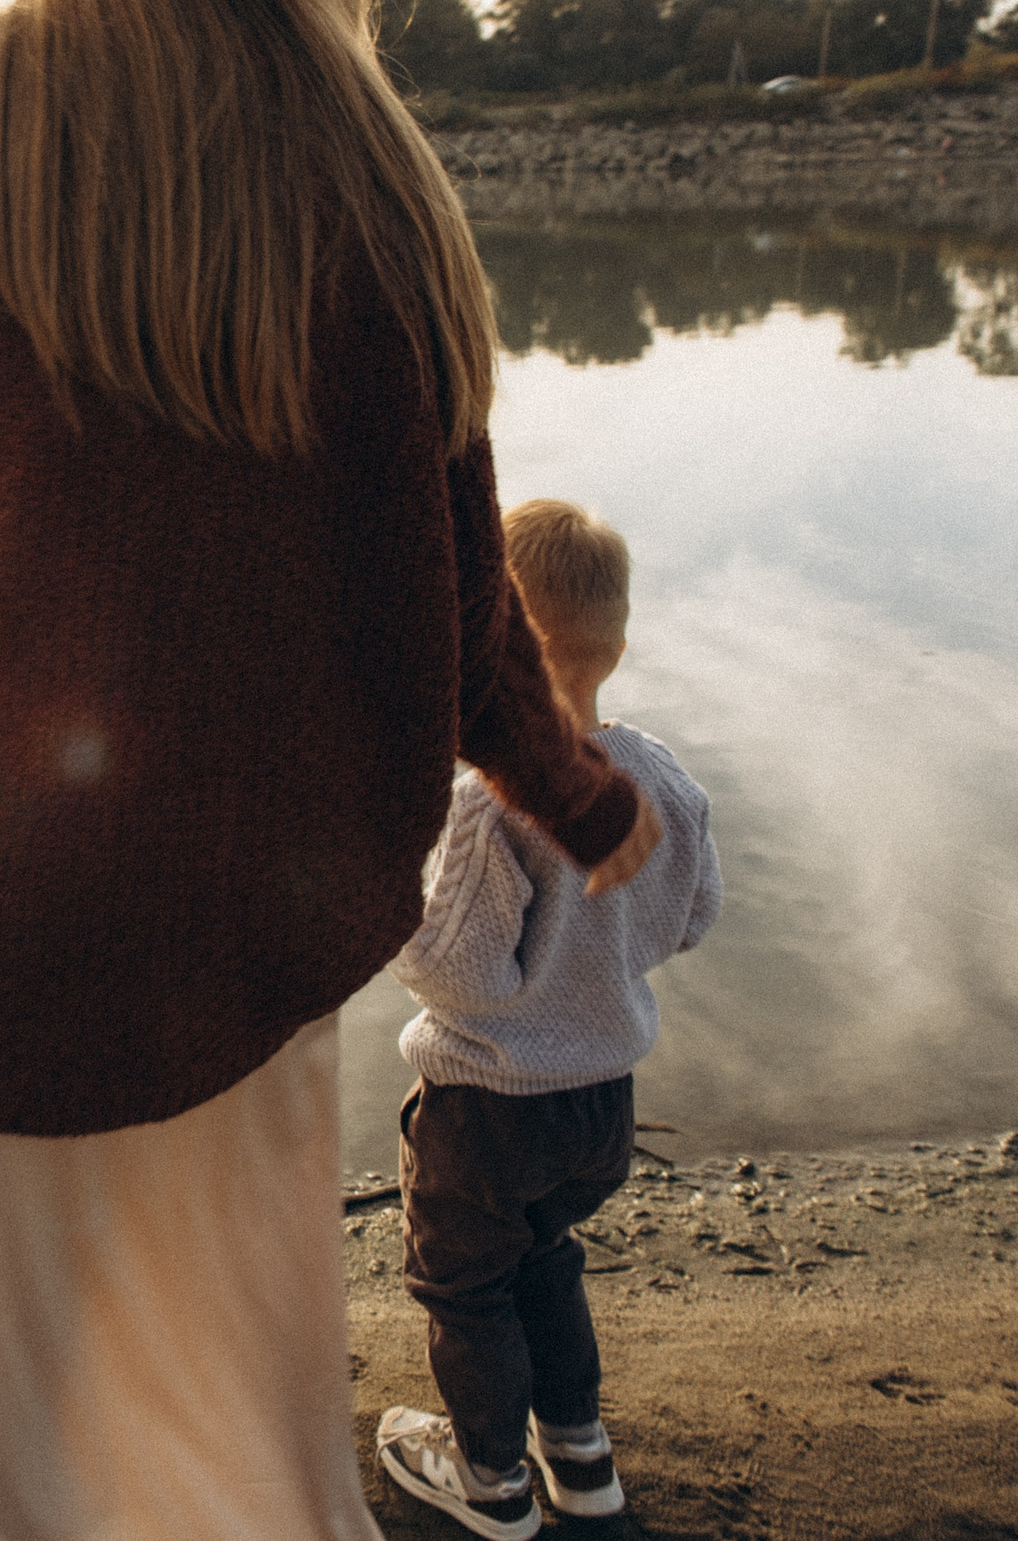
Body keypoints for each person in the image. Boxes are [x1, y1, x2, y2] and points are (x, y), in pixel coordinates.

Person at [0, 0, 661, 1536]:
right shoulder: (375, 180)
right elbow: (457, 588)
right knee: (228, 1444)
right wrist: (569, 785)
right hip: (256, 923)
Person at [376, 500, 722, 1539]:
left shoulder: (489, 802)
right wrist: (595, 962)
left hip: (488, 1110)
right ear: (616, 640)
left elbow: (455, 971)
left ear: (489, 641)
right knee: (543, 1258)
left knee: (466, 1289)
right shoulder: (663, 775)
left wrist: (388, 905)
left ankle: (487, 1478)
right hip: (600, 1108)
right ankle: (579, 1458)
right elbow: (692, 915)